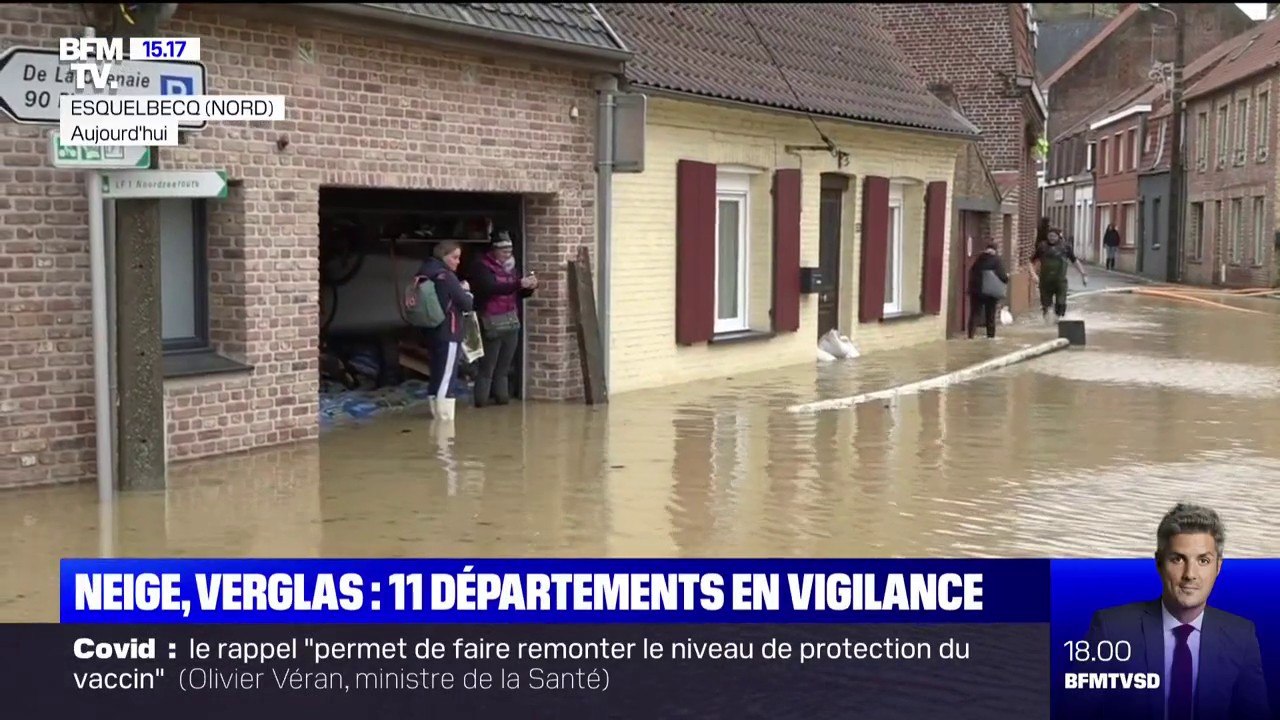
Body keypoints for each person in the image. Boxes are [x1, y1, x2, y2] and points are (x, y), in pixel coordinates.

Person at [1070, 504, 1271, 720]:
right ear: (1159, 562)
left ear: (1218, 567)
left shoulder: (1241, 636)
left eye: (1203, 560)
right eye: (1177, 559)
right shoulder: (1112, 629)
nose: (1190, 574)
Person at [467, 232, 537, 407]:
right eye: (503, 250)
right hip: (491, 321)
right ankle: (481, 402)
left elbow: (517, 292)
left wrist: (529, 287)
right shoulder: (481, 267)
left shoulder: (512, 268)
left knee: (504, 366)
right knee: (487, 366)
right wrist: (518, 284)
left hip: (511, 320)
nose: (508, 254)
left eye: (510, 250)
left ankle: (502, 399)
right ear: (494, 250)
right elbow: (490, 288)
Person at [416, 241, 473, 421]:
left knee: (436, 373)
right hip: (449, 331)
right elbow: (466, 304)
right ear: (443, 256)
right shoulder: (446, 277)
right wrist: (466, 291)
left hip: (430, 330)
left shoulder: (423, 272)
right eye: (454, 257)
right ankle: (445, 424)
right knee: (447, 377)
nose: (457, 262)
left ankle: (435, 416)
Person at [1031, 229, 1087, 323]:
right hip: (1045, 282)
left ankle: (1058, 323)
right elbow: (1032, 262)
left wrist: (1083, 274)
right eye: (1050, 236)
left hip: (1060, 282)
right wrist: (1033, 274)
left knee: (1060, 305)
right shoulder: (1042, 247)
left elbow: (1075, 261)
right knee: (1046, 307)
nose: (1052, 238)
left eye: (1054, 236)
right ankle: (1048, 325)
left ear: (1058, 237)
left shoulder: (1065, 247)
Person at [966, 240, 1009, 339]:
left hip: (976, 291)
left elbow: (972, 272)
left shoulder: (978, 259)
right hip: (990, 293)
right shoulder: (996, 260)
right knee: (990, 316)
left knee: (974, 314)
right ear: (995, 250)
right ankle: (990, 337)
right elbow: (1003, 276)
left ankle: (970, 336)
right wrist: (1007, 277)